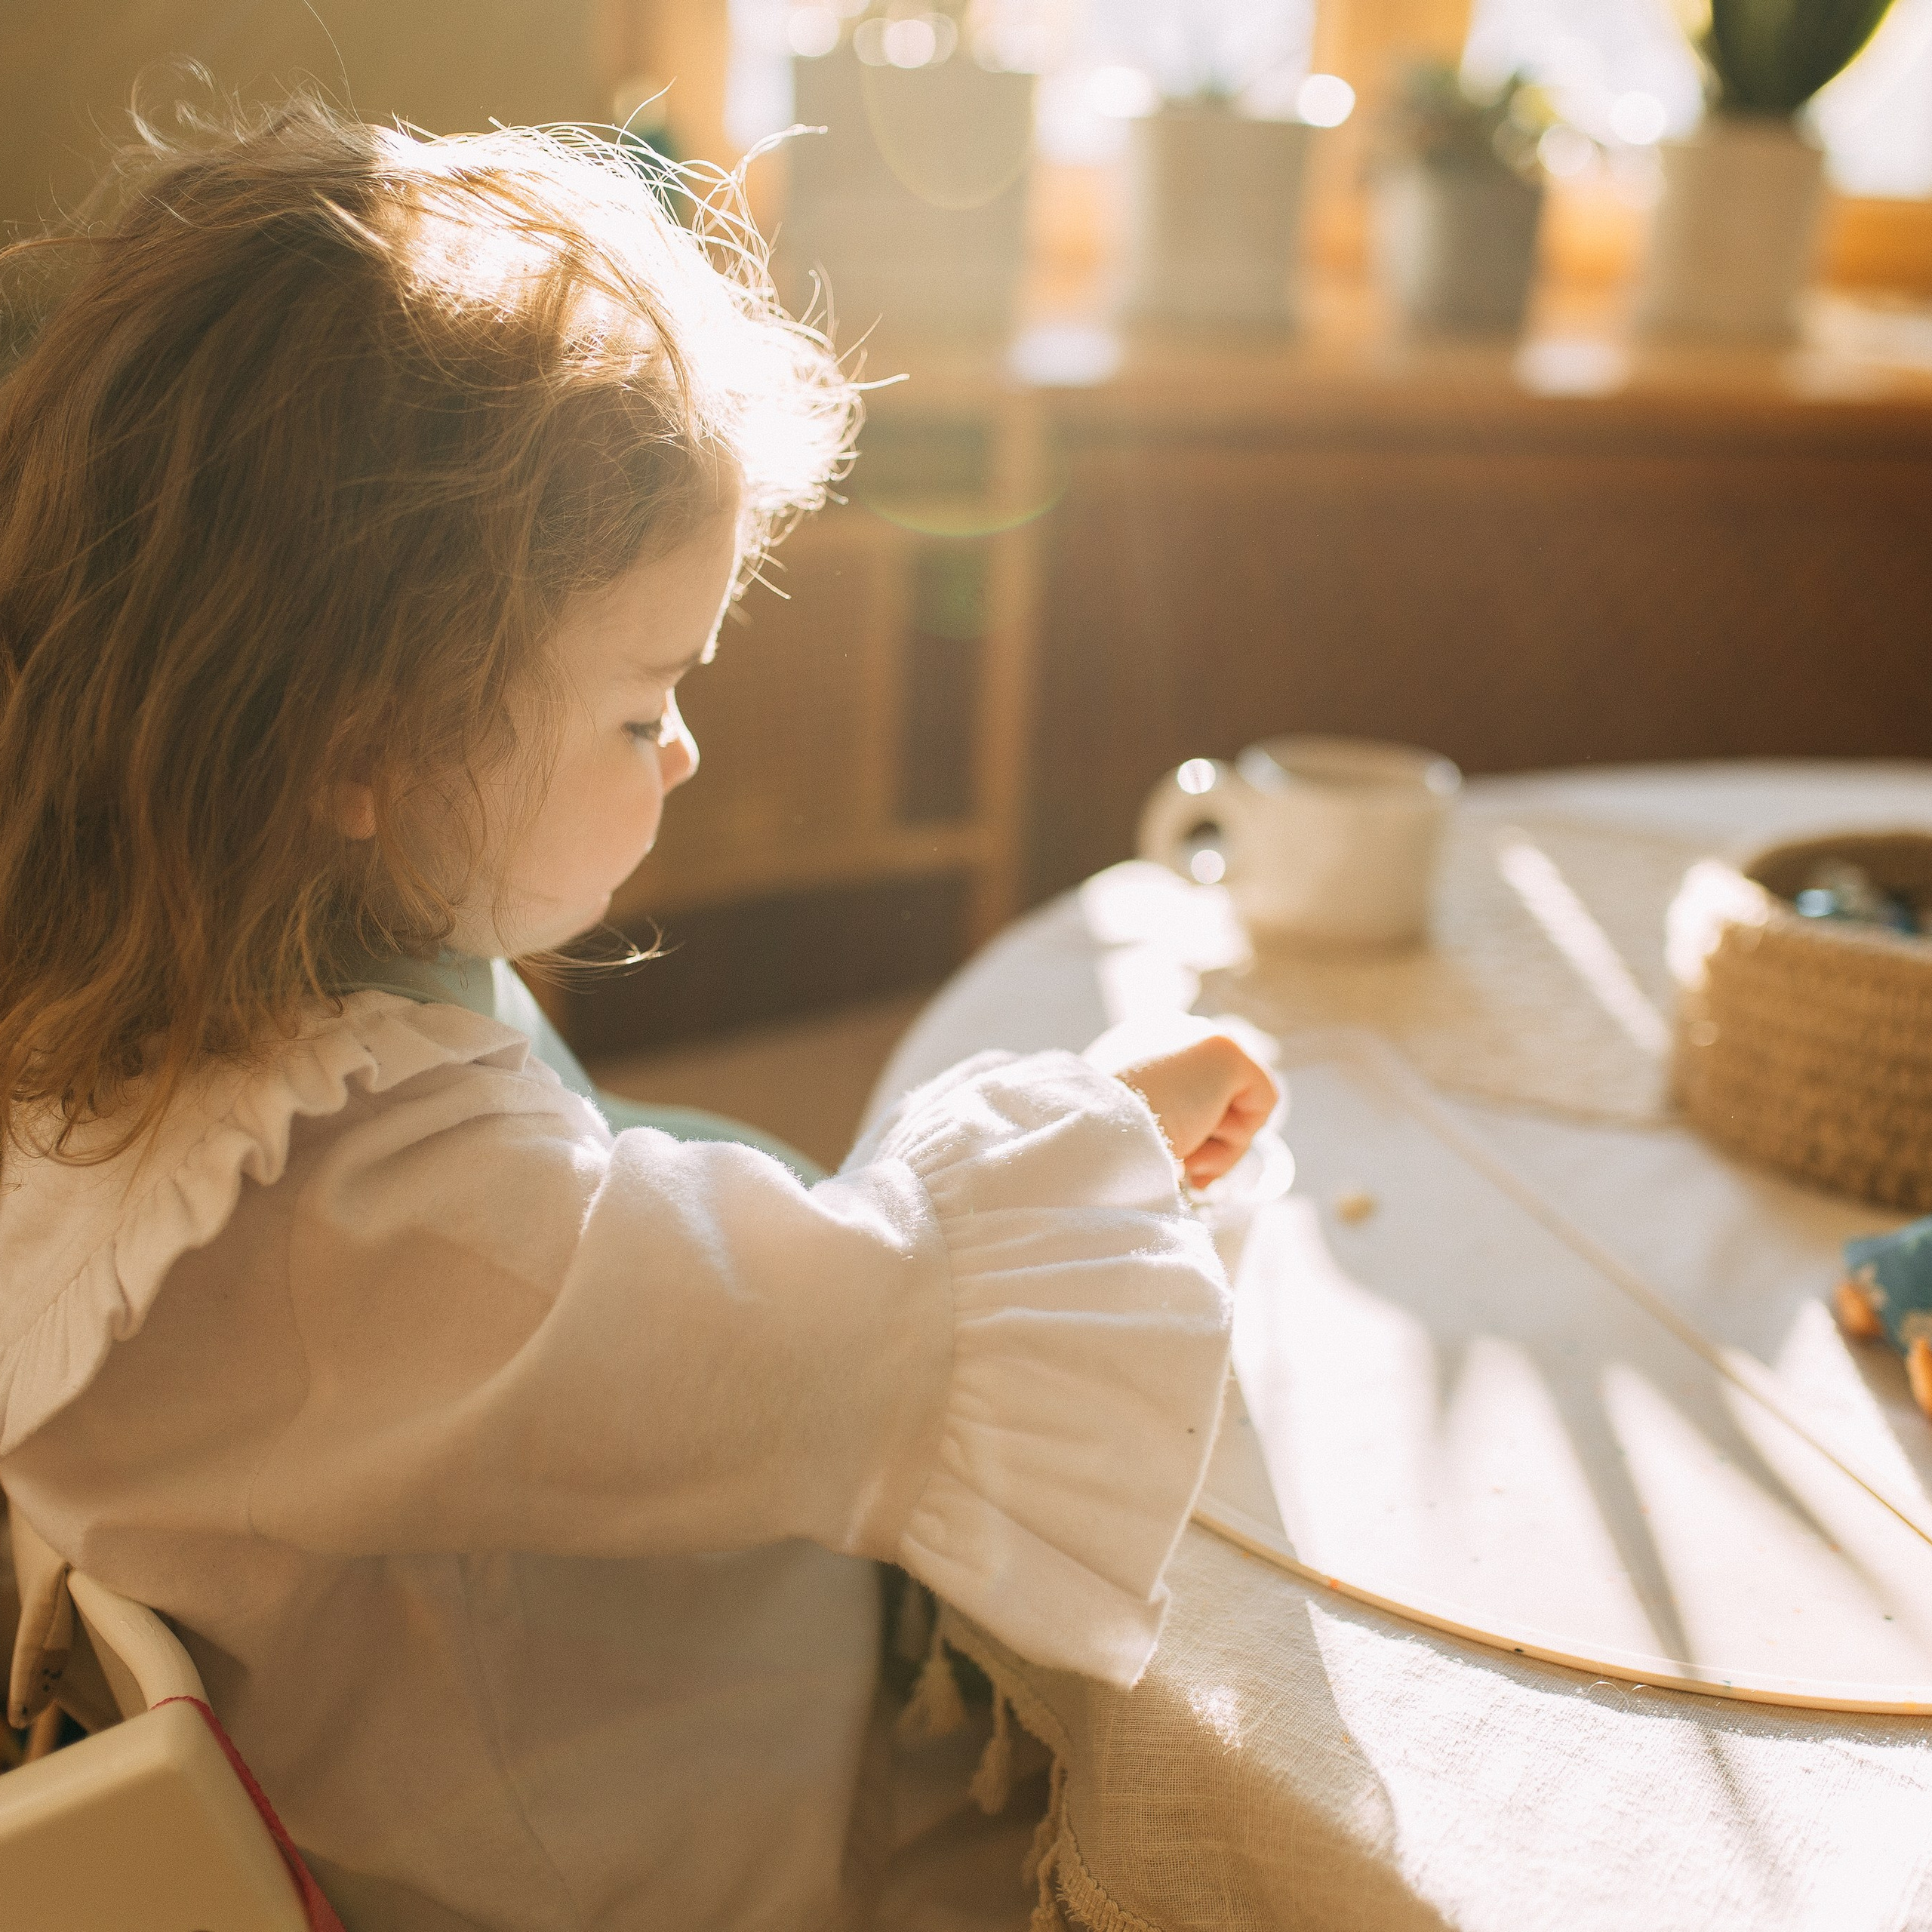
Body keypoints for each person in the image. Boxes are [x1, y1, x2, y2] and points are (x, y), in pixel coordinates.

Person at [0, 97, 1275, 1930]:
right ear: (364, 743)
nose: (682, 745)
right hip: (594, 1856)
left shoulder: (180, 986)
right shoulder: (342, 1214)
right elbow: (859, 1333)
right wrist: (1083, 1132)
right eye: (638, 700)